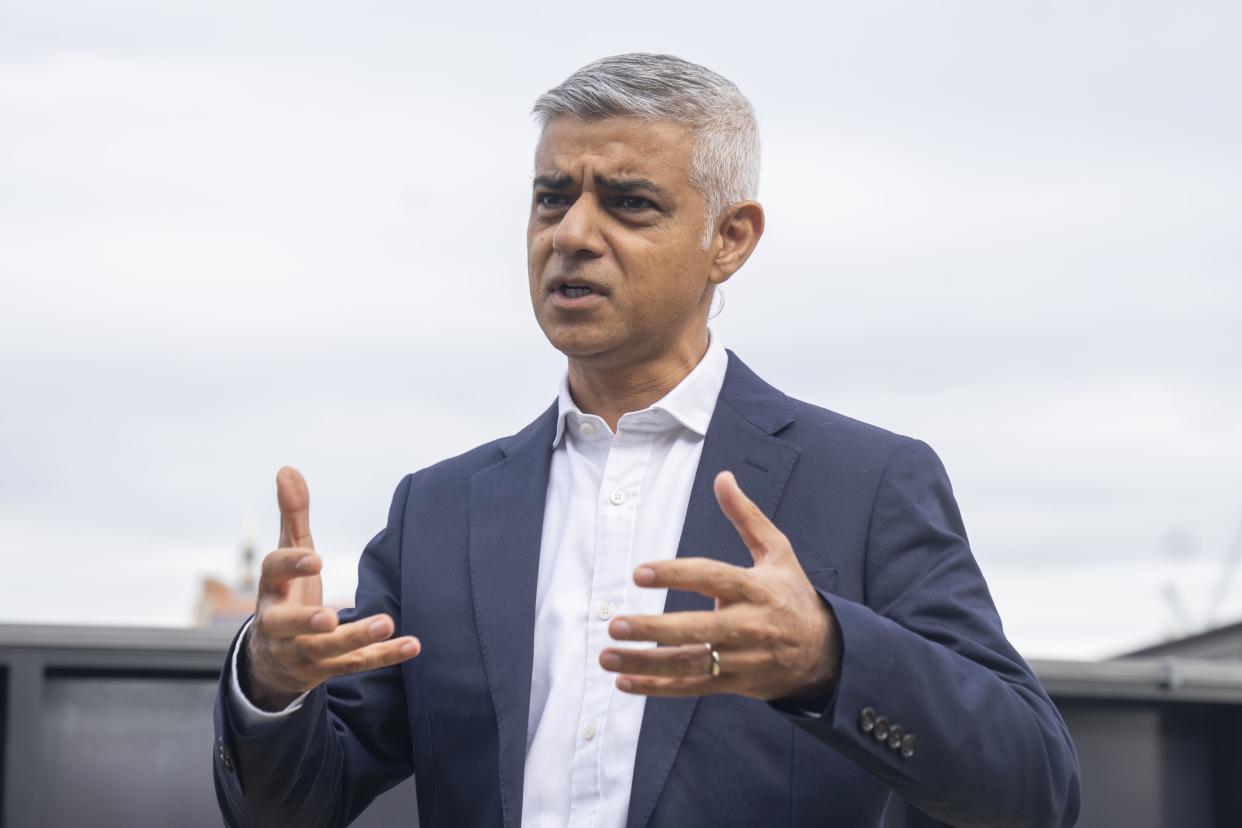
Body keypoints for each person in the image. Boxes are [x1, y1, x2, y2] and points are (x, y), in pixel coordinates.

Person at [213, 53, 1080, 827]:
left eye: (628, 204)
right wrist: (272, 685)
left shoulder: (865, 485)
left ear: (729, 240)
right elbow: (292, 808)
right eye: (552, 197)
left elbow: (1033, 790)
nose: (573, 234)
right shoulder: (437, 511)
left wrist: (826, 657)